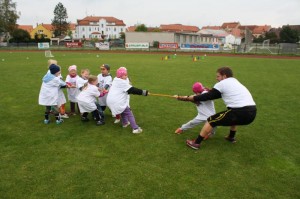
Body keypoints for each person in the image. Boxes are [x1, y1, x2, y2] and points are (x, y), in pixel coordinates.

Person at [176, 66, 257, 150]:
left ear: (224, 76)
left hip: (240, 111)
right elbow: (216, 94)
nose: (216, 78)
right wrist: (211, 91)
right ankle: (231, 137)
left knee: (211, 120)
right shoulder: (235, 81)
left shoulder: (222, 83)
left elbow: (208, 96)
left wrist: (191, 98)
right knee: (233, 117)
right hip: (252, 113)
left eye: (218, 76)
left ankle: (196, 143)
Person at [107, 67, 149, 134]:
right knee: (129, 113)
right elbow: (132, 90)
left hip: (111, 101)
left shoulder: (116, 80)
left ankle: (125, 123)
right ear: (120, 76)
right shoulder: (121, 83)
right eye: (125, 75)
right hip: (117, 102)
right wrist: (145, 92)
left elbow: (128, 91)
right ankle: (135, 128)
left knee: (123, 111)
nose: (127, 76)